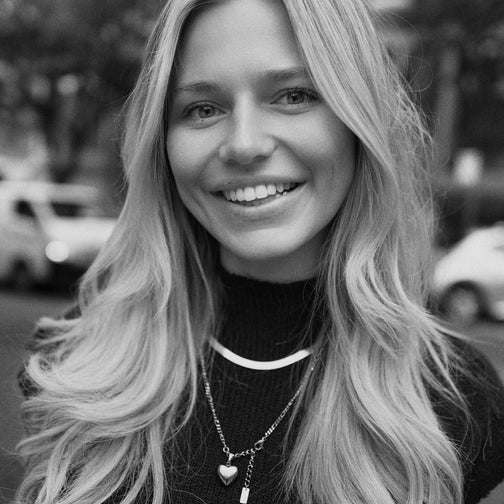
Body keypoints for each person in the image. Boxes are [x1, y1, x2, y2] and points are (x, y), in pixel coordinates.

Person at [16, 0, 504, 503]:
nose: (244, 145)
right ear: (161, 144)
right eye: (203, 109)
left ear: (358, 121)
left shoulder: (457, 401)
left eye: (293, 96)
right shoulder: (72, 367)